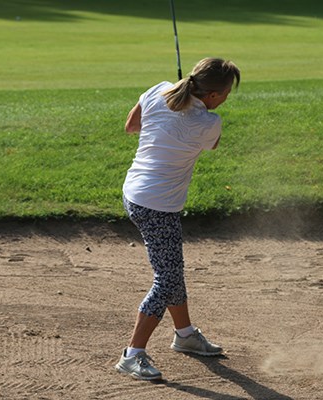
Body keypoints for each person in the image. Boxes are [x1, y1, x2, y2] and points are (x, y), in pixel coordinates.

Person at [115, 58, 241, 381]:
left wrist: (170, 108)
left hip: (135, 193)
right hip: (158, 206)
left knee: (172, 269)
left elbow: (131, 126)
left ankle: (184, 334)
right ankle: (133, 354)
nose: (227, 98)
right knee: (167, 279)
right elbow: (212, 145)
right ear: (213, 96)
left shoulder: (159, 90)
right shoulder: (209, 122)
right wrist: (185, 111)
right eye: (226, 92)